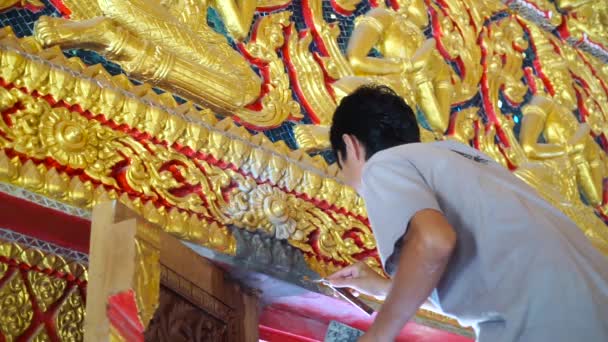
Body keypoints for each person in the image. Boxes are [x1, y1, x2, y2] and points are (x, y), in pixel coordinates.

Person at [326, 84, 608, 342]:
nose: (352, 185)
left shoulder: (382, 165)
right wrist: (385, 288)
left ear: (350, 146)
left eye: (342, 169)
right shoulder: (461, 157)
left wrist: (378, 335)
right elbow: (487, 281)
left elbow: (434, 240)